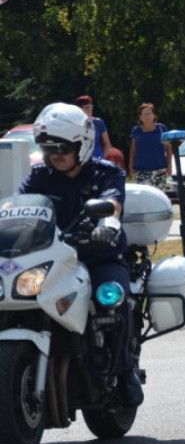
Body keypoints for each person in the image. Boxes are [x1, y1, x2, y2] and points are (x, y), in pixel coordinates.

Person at [19, 103, 143, 406]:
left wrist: (108, 224)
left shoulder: (106, 173)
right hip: (52, 261)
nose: (55, 155)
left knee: (112, 299)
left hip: (98, 257)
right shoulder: (40, 175)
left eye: (61, 148)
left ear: (82, 144)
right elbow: (19, 206)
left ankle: (125, 370)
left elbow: (113, 203)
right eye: (48, 148)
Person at [128, 102, 172, 190]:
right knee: (143, 196)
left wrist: (169, 165)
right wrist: (131, 167)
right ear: (140, 117)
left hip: (160, 170)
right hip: (141, 170)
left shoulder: (162, 128)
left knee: (159, 196)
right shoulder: (136, 130)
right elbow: (133, 150)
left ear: (154, 115)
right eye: (144, 114)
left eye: (149, 113)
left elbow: (168, 149)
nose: (146, 116)